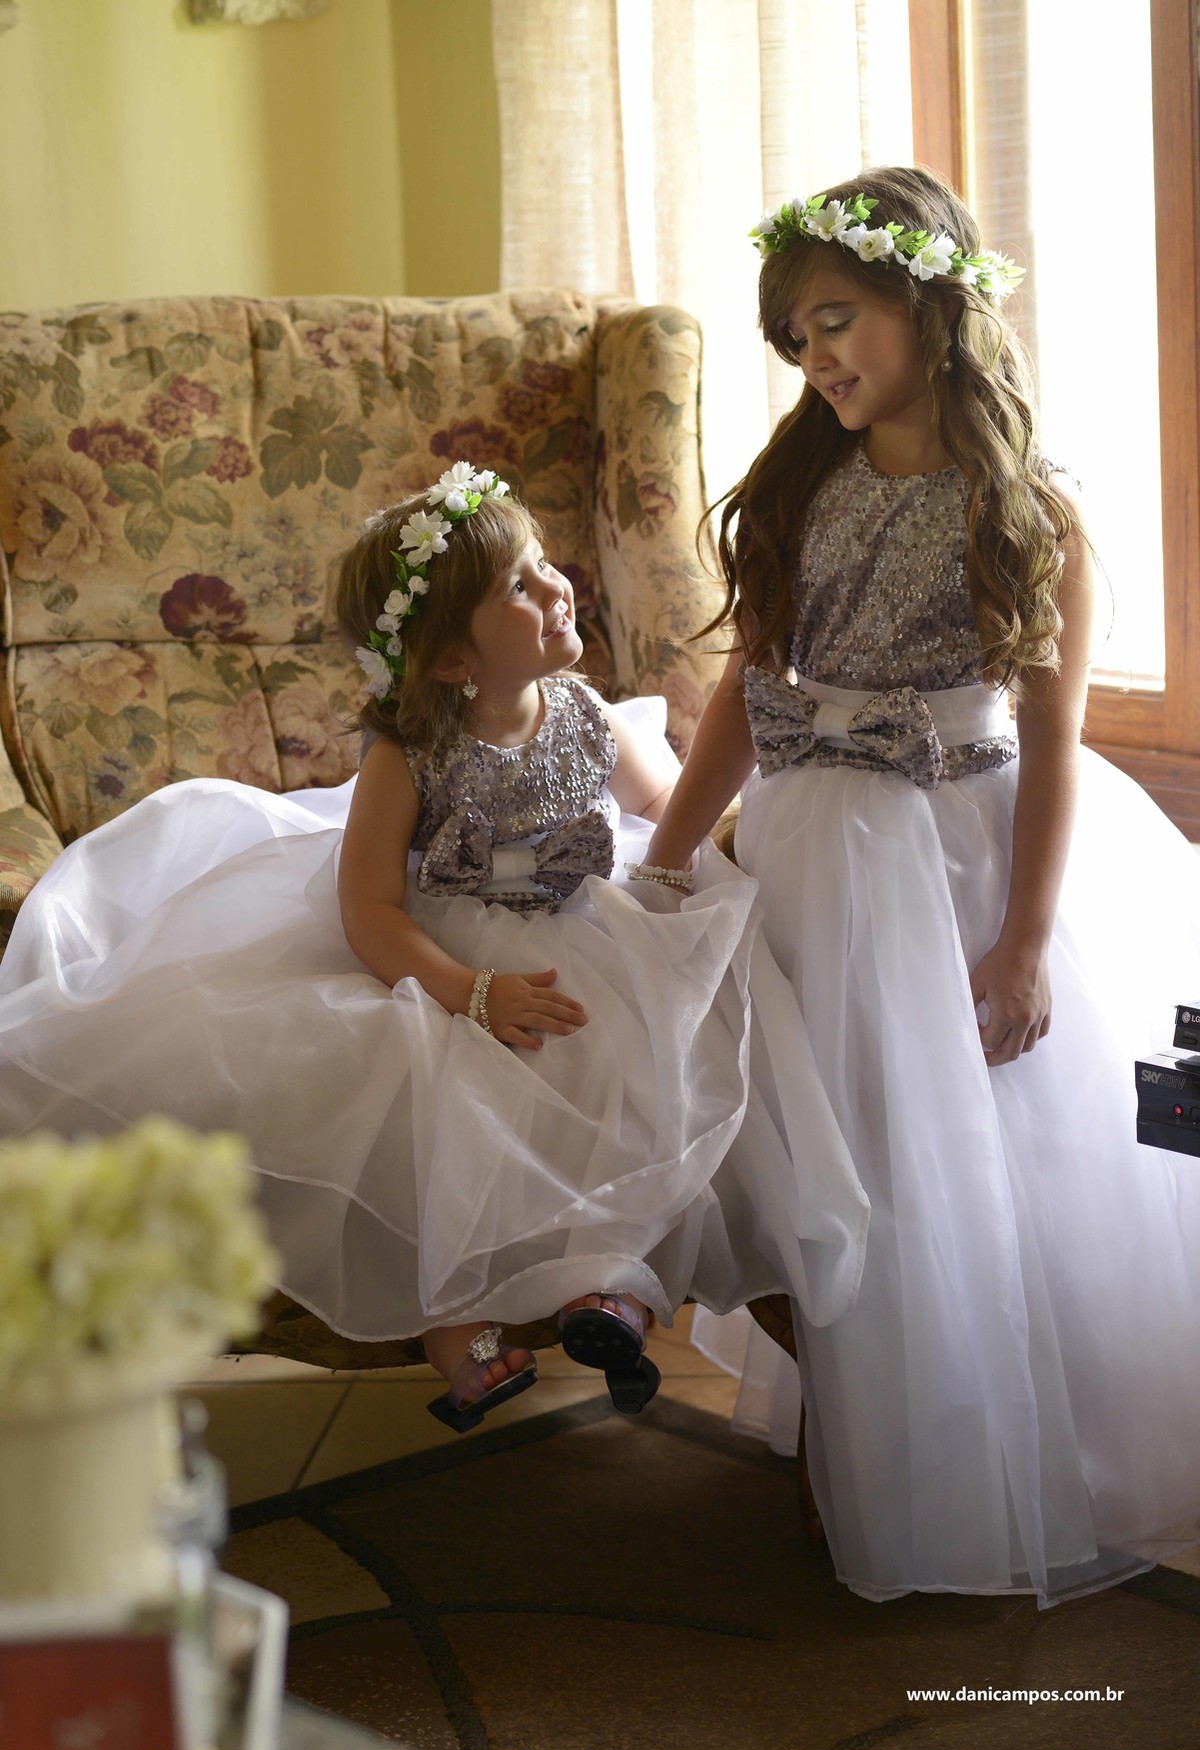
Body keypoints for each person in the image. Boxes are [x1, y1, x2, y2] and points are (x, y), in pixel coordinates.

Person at [0, 463, 867, 1432]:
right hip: (445, 947)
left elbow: (667, 810)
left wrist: (677, 885)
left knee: (642, 1069)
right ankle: (461, 1327)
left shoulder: (587, 715)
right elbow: (368, 907)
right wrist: (468, 989)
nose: (556, 589)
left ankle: (609, 1284)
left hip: (587, 927)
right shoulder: (405, 756)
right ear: (453, 659)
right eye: (519, 588)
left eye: (545, 565)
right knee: (442, 1100)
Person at [644, 166, 1200, 1605]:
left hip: (961, 858)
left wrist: (1021, 943)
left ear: (931, 308)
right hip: (811, 855)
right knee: (840, 1166)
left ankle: (1017, 1443)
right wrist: (664, 853)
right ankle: (872, 1434)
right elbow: (745, 695)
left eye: (838, 320)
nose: (818, 357)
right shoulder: (802, 484)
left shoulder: (1032, 518)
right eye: (796, 336)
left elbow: (1057, 744)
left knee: (977, 1165)